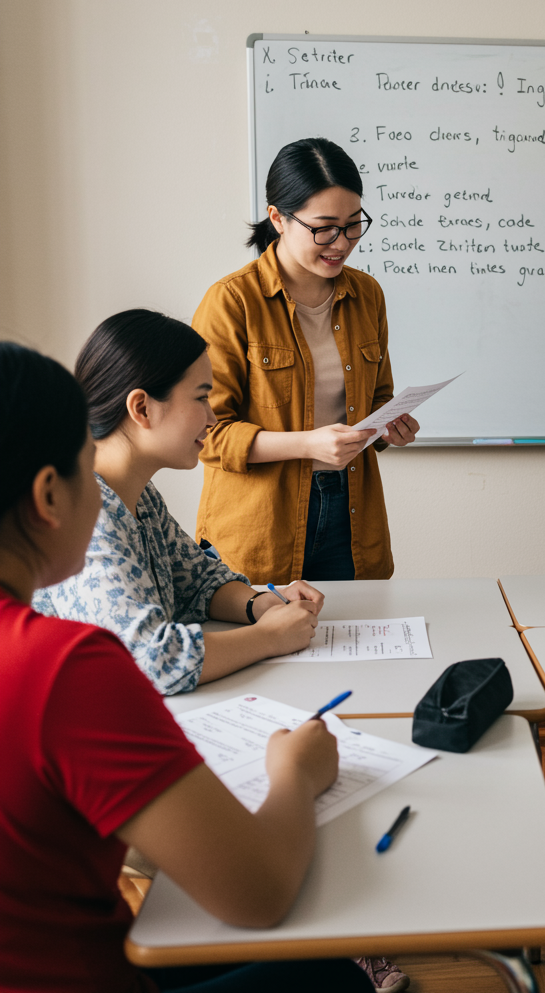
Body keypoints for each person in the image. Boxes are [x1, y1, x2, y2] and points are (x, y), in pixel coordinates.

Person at [0, 341, 372, 993]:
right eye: (88, 467)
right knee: (332, 978)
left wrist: (257, 604)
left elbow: (198, 575)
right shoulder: (65, 667)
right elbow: (257, 892)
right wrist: (296, 772)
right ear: (48, 495)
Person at [34, 310, 323, 695]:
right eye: (202, 397)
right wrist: (269, 638)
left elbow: (195, 580)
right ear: (142, 408)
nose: (212, 417)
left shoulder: (138, 493)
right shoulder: (86, 515)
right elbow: (151, 662)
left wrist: (259, 605)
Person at [192, 136, 419, 585]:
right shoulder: (231, 301)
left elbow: (378, 398)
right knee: (267, 648)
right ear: (278, 218)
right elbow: (207, 435)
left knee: (360, 642)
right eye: (325, 227)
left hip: (352, 517)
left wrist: (391, 428)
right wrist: (307, 445)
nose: (342, 242)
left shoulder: (367, 295)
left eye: (354, 224)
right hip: (260, 525)